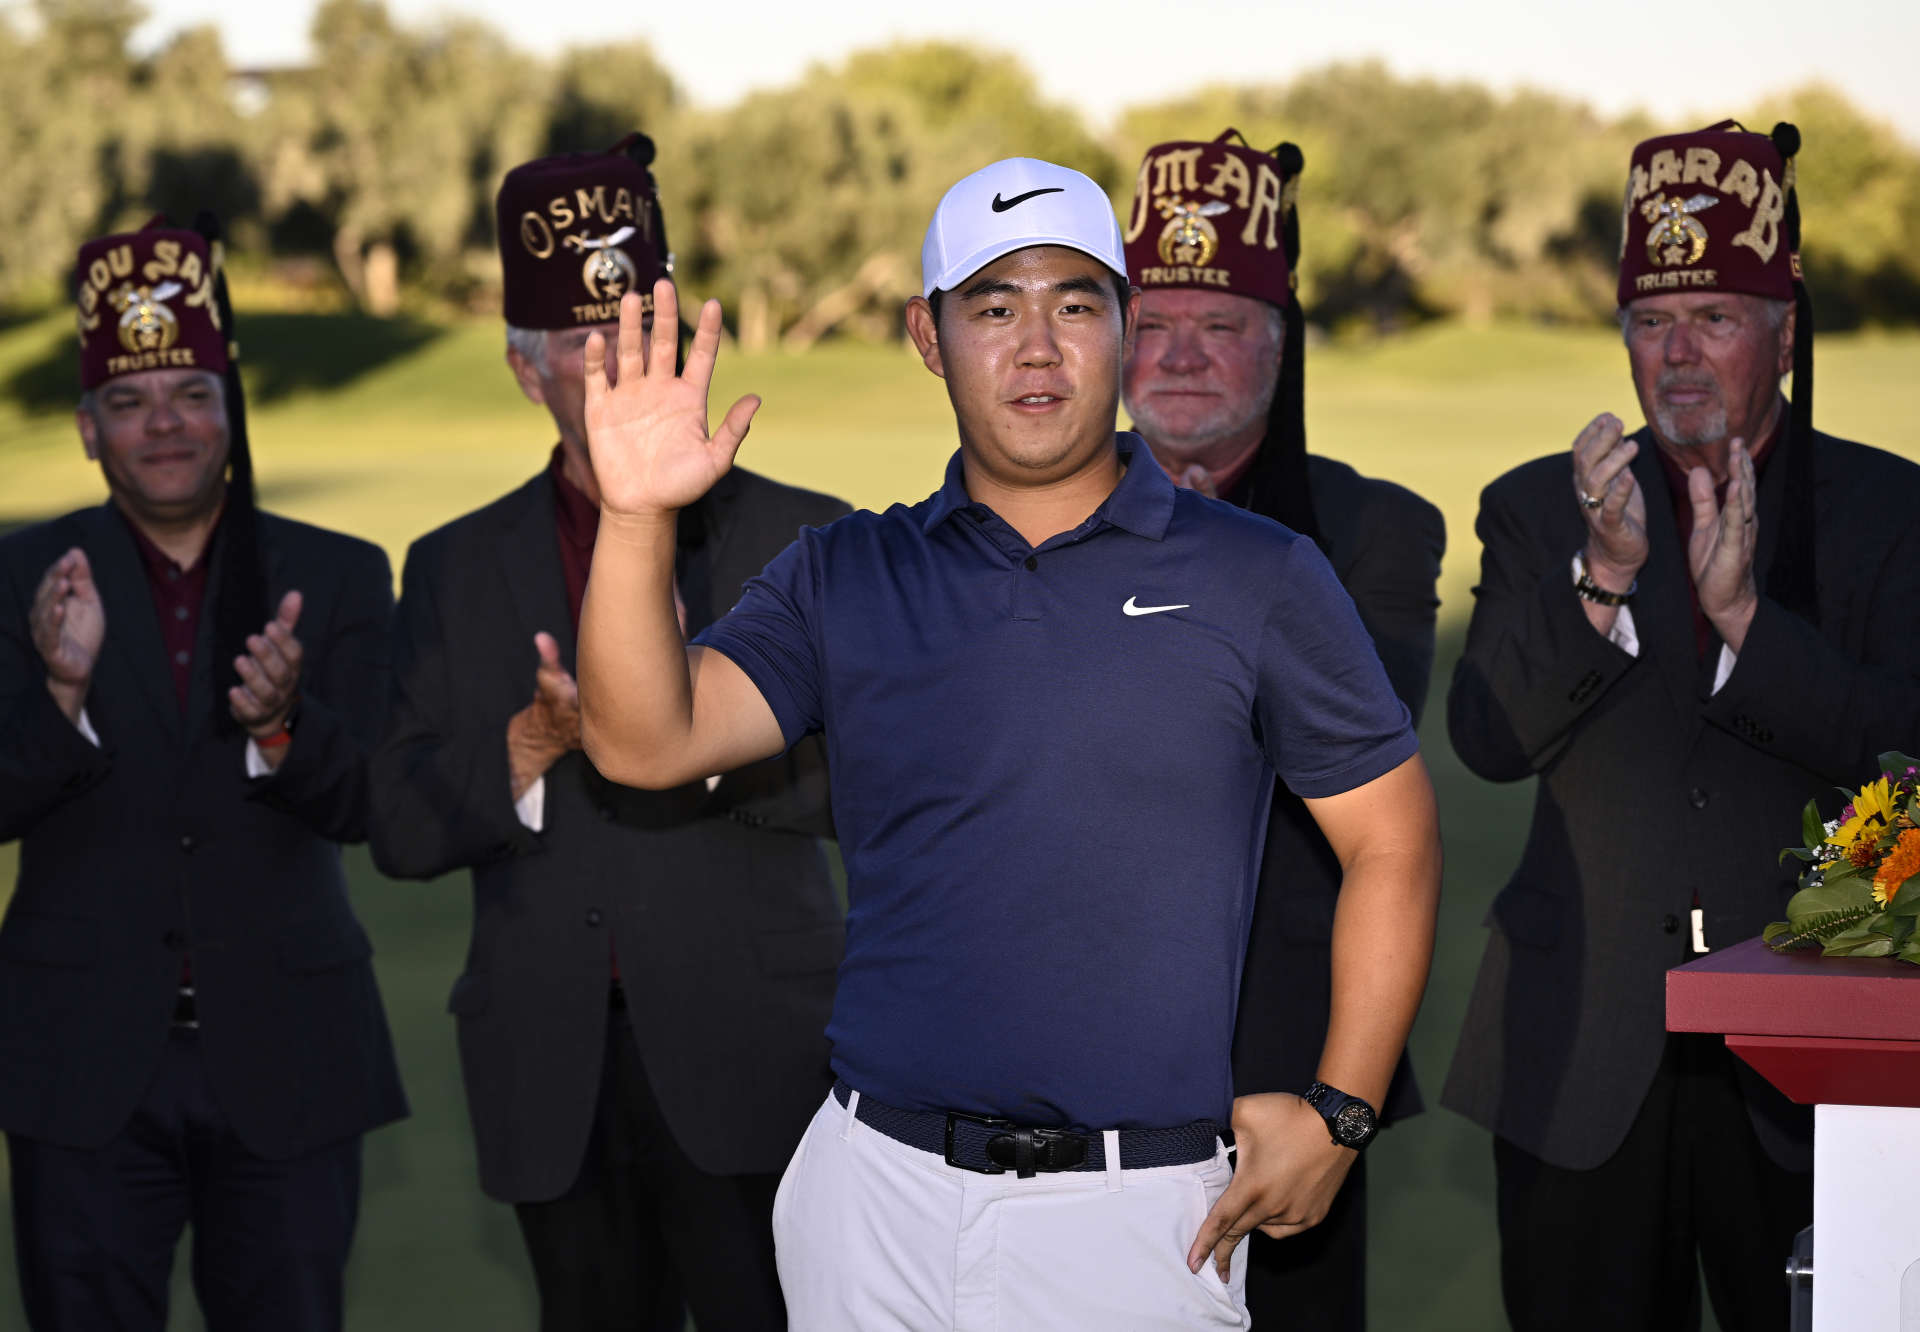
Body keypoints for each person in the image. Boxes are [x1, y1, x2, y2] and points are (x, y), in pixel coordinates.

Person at [572, 155, 1443, 1329]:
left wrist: (1344, 1112)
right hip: (872, 1199)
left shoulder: (1258, 575)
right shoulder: (845, 573)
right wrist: (634, 513)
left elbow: (1392, 841)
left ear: (1126, 331)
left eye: (1075, 303)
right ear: (930, 341)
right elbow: (643, 744)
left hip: (1141, 1220)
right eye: (993, 307)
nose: (1037, 346)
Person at [366, 134, 849, 1332]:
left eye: (641, 334)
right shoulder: (453, 567)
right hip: (549, 1070)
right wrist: (528, 748)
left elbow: (860, 791)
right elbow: (399, 827)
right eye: (585, 346)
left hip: (752, 1049)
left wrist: (686, 722)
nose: (616, 370)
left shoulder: (807, 539)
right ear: (528, 372)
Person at [1444, 121, 1920, 1331]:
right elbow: (1489, 740)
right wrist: (1601, 581)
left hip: (1816, 1067)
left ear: (1786, 330)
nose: (1680, 354)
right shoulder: (1538, 506)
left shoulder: (1889, 511)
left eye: (1715, 314)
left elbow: (1905, 751)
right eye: (1653, 321)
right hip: (1581, 1055)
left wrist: (1748, 621)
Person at [0, 217, 405, 1330]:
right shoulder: (21, 576)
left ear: (231, 410)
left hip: (289, 1053)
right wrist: (60, 696)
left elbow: (378, 805)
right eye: (129, 403)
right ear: (88, 431)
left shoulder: (338, 575)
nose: (164, 424)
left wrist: (285, 725)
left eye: (190, 392)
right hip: (76, 1062)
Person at [1121, 129, 1445, 1329]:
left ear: (1282, 339)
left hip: (1297, 1064)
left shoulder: (1375, 531)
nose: (1185, 355)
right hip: (1062, 1053)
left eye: (1226, 322)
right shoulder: (1036, 508)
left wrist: (1202, 579)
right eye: (1156, 322)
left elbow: (1336, 752)